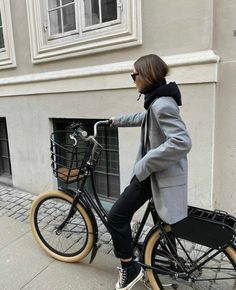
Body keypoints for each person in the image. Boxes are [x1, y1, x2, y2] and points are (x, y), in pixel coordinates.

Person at [107, 54, 192, 290]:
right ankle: (170, 261)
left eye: (135, 75)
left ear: (147, 75)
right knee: (161, 220)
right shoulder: (157, 100)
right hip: (159, 174)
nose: (133, 79)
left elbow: (182, 142)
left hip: (154, 174)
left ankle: (129, 267)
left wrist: (144, 163)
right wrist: (115, 121)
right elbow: (144, 119)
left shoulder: (162, 103)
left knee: (116, 217)